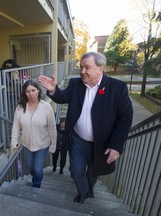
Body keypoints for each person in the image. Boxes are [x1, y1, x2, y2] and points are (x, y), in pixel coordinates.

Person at [38, 52, 133, 203]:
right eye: (81, 67)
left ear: (100, 69)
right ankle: (83, 193)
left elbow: (125, 118)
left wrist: (116, 146)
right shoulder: (76, 84)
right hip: (78, 139)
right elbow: (62, 97)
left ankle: (90, 188)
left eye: (87, 67)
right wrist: (53, 90)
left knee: (94, 171)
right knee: (75, 171)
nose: (82, 71)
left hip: (102, 142)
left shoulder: (117, 88)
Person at [11, 79, 57, 188]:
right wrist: (14, 142)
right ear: (24, 93)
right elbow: (16, 126)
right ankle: (36, 177)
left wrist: (53, 145)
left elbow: (52, 128)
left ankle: (36, 184)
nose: (31, 94)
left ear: (38, 91)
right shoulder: (20, 108)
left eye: (33, 90)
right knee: (31, 167)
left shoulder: (46, 107)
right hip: (27, 144)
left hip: (42, 144)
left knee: (37, 168)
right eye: (28, 91)